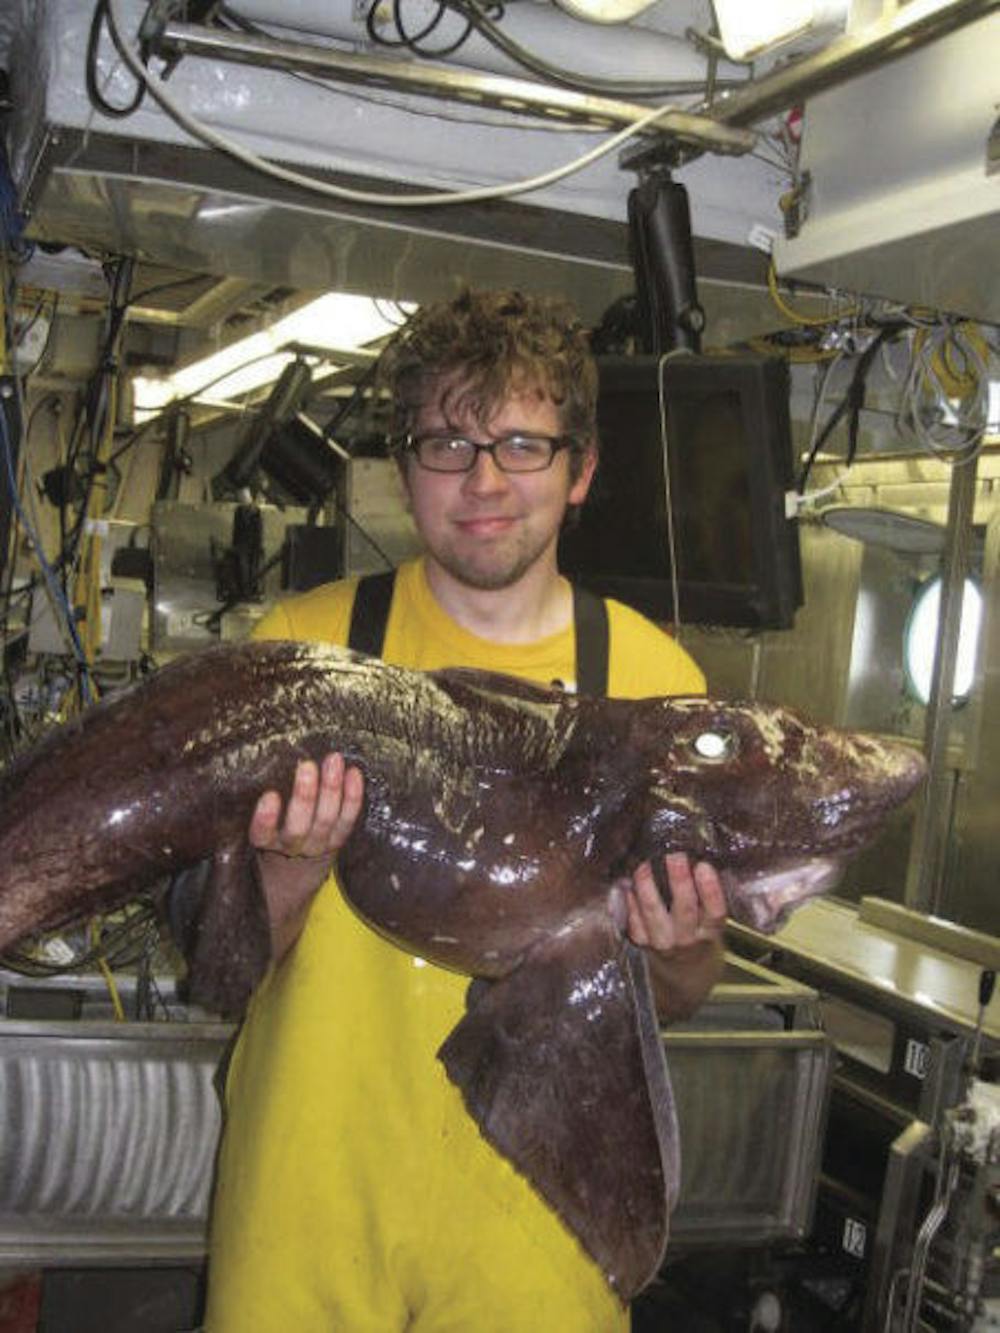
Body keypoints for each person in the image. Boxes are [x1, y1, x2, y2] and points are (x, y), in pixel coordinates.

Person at [203, 288, 727, 1332]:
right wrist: (287, 873)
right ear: (403, 469)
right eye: (447, 442)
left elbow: (677, 992)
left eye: (521, 444)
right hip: (304, 1207)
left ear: (579, 471)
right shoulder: (296, 649)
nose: (483, 481)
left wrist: (679, 945)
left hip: (539, 1222)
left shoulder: (654, 682)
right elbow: (216, 974)